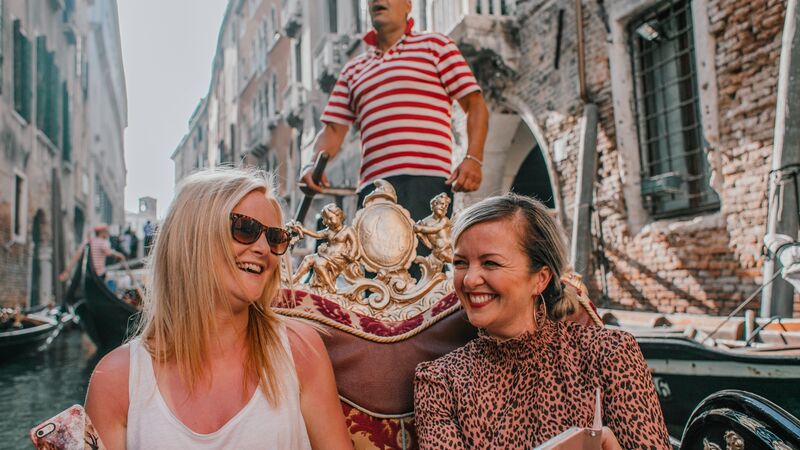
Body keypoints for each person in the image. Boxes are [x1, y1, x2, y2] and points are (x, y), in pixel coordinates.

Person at [84, 168, 353, 449]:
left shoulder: (301, 351)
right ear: (191, 239)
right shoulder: (116, 381)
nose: (264, 248)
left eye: (275, 238)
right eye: (245, 229)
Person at [413, 194, 670, 449]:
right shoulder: (440, 382)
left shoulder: (609, 354)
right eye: (460, 263)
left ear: (540, 278)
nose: (468, 280)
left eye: (490, 263)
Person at [300, 0, 489, 222]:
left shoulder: (436, 46)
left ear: (408, 5)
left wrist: (473, 159)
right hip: (373, 190)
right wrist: (312, 164)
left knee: (423, 257)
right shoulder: (353, 69)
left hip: (426, 184)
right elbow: (333, 130)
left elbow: (475, 104)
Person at [60, 224, 126, 281]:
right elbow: (108, 252)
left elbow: (76, 257)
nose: (108, 234)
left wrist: (67, 271)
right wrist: (120, 255)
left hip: (87, 274)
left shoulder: (87, 242)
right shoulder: (103, 242)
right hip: (99, 274)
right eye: (107, 232)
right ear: (102, 232)